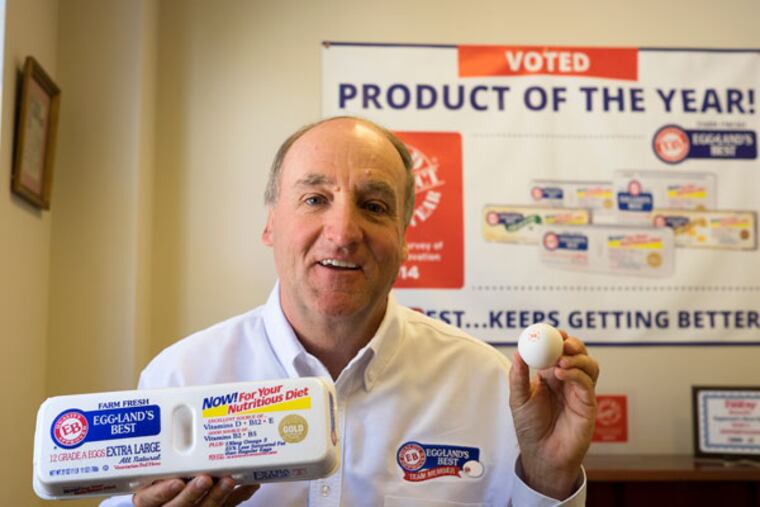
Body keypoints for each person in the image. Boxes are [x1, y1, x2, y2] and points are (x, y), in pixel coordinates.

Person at [104, 116, 599, 507]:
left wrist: (547, 476)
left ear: (404, 239)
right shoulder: (181, 376)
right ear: (271, 225)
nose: (343, 233)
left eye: (375, 206)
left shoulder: (486, 384)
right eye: (314, 199)